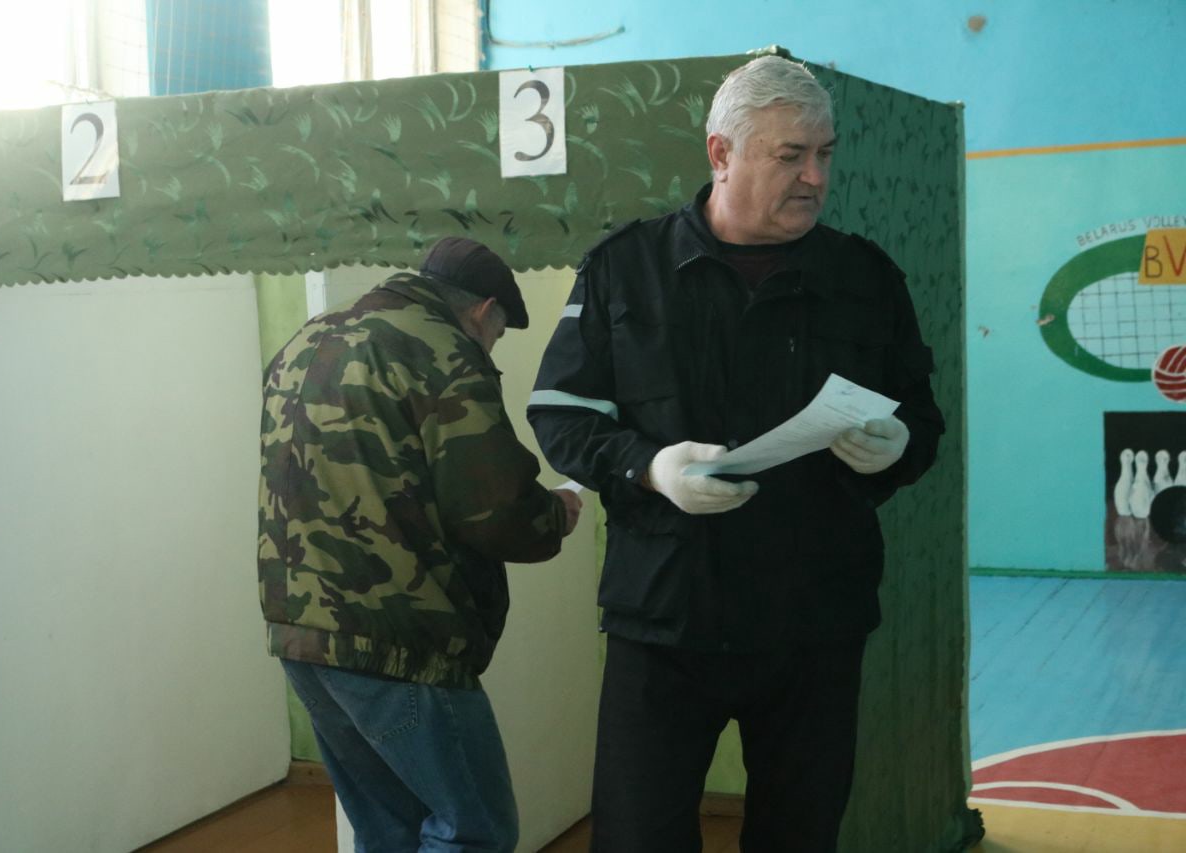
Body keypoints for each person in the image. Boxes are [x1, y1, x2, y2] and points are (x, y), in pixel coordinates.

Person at [528, 55, 945, 853]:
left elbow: (921, 419)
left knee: (801, 833)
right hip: (666, 615)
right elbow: (561, 414)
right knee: (638, 835)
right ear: (721, 154)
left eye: (824, 154)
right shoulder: (627, 269)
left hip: (814, 618)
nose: (815, 177)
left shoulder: (865, 278)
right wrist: (650, 467)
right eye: (791, 156)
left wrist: (897, 445)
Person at [258, 236, 582, 852]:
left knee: (389, 829)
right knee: (474, 829)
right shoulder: (442, 349)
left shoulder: (311, 336)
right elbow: (495, 512)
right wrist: (554, 514)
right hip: (400, 637)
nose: (490, 346)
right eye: (497, 335)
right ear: (484, 311)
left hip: (301, 631)